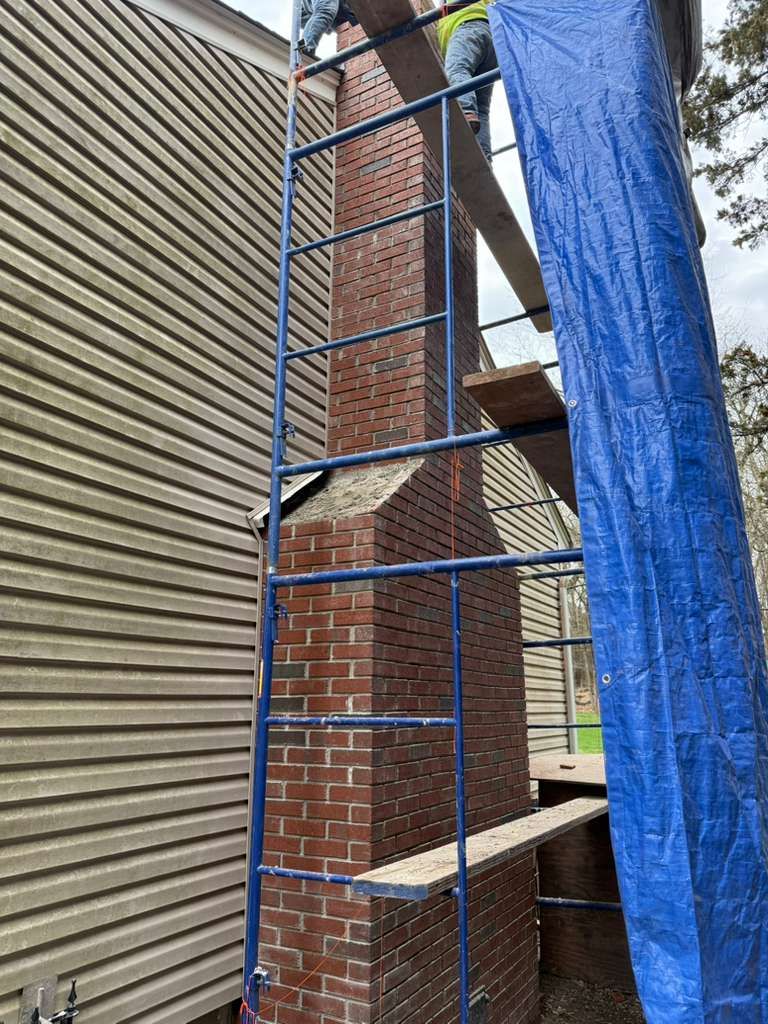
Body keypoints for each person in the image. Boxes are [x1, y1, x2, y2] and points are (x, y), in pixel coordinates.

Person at [436, 1, 496, 161]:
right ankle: (485, 157)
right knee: (482, 109)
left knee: (457, 70)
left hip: (468, 27)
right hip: (490, 38)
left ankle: (465, 109)